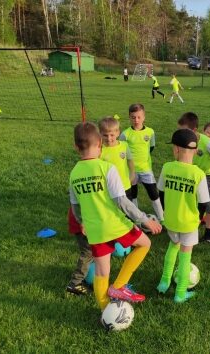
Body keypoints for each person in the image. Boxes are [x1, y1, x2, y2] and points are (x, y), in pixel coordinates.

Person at [69, 122, 162, 310]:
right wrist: (145, 219)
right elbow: (122, 201)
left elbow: (75, 206)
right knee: (145, 244)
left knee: (102, 273)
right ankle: (119, 286)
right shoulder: (106, 168)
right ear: (100, 145)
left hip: (95, 230)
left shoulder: (74, 174)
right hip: (116, 224)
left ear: (76, 147)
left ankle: (106, 312)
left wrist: (82, 223)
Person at [156, 128, 210, 303]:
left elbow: (161, 193)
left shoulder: (167, 167)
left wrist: (166, 211)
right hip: (188, 222)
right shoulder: (198, 174)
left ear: (176, 149)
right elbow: (204, 203)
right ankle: (180, 293)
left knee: (173, 247)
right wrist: (199, 218)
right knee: (186, 255)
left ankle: (163, 283)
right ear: (194, 151)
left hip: (170, 220)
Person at [177, 113, 210, 243]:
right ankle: (194, 223)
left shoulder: (207, 143)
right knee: (195, 199)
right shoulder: (186, 140)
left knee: (209, 204)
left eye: (183, 130)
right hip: (196, 174)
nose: (181, 133)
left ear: (194, 130)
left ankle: (208, 233)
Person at [119, 104, 164, 221]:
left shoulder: (150, 132)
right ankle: (137, 219)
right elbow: (121, 150)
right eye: (133, 117)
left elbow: (151, 147)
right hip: (131, 171)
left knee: (154, 194)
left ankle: (162, 218)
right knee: (133, 195)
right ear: (129, 117)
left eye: (139, 117)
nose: (136, 120)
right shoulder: (125, 134)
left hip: (145, 169)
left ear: (144, 117)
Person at [98, 117, 136, 203]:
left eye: (112, 135)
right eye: (105, 135)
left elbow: (130, 160)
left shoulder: (124, 145)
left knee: (127, 210)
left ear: (118, 133)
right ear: (100, 134)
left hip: (125, 185)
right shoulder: (99, 149)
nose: (108, 138)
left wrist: (132, 173)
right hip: (108, 187)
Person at [65, 207, 92, 295]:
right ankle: (75, 283)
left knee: (92, 251)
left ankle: (87, 278)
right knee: (88, 252)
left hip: (81, 222)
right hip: (82, 224)